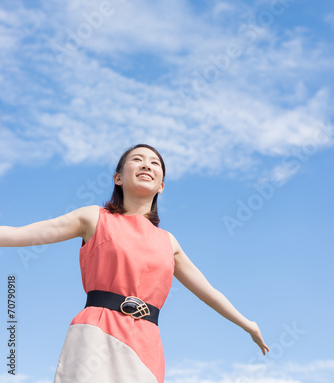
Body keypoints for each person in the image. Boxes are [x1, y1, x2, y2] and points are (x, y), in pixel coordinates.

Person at [0, 143, 269, 382]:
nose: (147, 165)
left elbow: (208, 291)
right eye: (137, 159)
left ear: (161, 185)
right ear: (118, 177)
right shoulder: (93, 218)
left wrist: (248, 324)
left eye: (155, 163)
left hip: (146, 344)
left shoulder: (169, 242)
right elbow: (22, 233)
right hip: (96, 332)